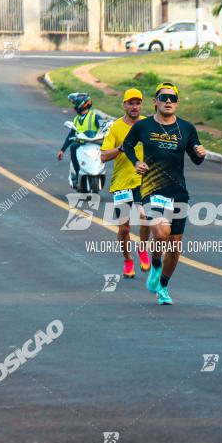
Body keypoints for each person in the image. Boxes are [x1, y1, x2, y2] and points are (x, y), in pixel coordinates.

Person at [121, 82, 206, 304]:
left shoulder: (186, 128)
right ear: (155, 101)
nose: (169, 101)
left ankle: (163, 286)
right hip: (152, 188)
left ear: (177, 103)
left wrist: (200, 153)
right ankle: (155, 264)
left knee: (175, 246)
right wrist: (136, 161)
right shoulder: (143, 126)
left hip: (178, 191)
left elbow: (196, 159)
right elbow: (128, 145)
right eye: (164, 97)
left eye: (173, 98)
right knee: (161, 233)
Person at [100, 88, 151, 278]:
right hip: (122, 183)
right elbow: (104, 156)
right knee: (124, 228)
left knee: (146, 218)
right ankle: (128, 259)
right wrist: (122, 148)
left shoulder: (149, 124)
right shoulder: (115, 128)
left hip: (144, 180)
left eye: (138, 103)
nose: (135, 106)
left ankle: (143, 250)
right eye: (131, 103)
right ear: (124, 105)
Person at [58, 92, 105, 188]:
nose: (74, 106)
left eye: (75, 104)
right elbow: (71, 135)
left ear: (81, 104)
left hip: (95, 144)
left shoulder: (95, 116)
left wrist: (107, 128)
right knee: (73, 147)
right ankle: (77, 173)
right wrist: (62, 150)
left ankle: (100, 171)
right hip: (80, 144)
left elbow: (104, 125)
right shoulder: (76, 119)